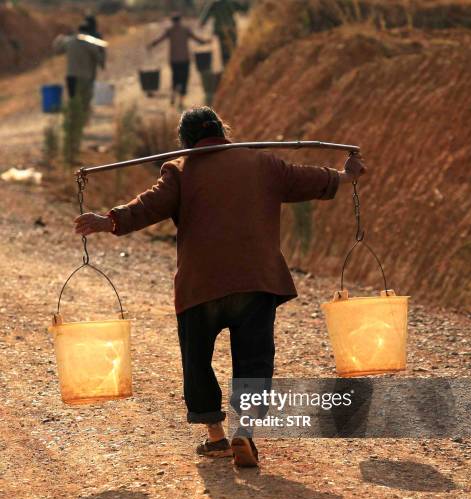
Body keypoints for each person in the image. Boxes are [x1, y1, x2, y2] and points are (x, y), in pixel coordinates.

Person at [74, 106, 367, 468]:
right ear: (223, 132)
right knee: (254, 359)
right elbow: (308, 178)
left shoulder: (180, 170)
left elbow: (149, 206)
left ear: (185, 142)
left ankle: (215, 437)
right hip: (255, 282)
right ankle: (245, 428)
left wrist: (108, 220)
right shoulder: (262, 165)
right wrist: (344, 175)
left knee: (197, 359)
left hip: (202, 286)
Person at [147, 13, 210, 109]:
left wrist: (152, 44)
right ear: (180, 20)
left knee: (175, 78)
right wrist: (206, 41)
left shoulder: (170, 31)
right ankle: (180, 101)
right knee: (184, 80)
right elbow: (197, 39)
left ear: (172, 21)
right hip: (185, 59)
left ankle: (173, 97)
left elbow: (159, 39)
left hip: (174, 60)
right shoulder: (185, 30)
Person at [53, 21, 105, 113]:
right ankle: (83, 120)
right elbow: (99, 58)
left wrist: (59, 38)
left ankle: (74, 119)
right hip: (85, 77)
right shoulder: (91, 43)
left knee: (73, 100)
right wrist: (102, 64)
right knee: (84, 101)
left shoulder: (70, 42)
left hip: (71, 76)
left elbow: (57, 50)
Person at [200, 0, 248, 66]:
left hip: (221, 30)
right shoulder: (230, 2)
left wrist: (202, 23)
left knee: (225, 51)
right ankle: (233, 67)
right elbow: (244, 9)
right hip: (231, 30)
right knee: (233, 49)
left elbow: (205, 16)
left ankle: (228, 67)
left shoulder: (214, 3)